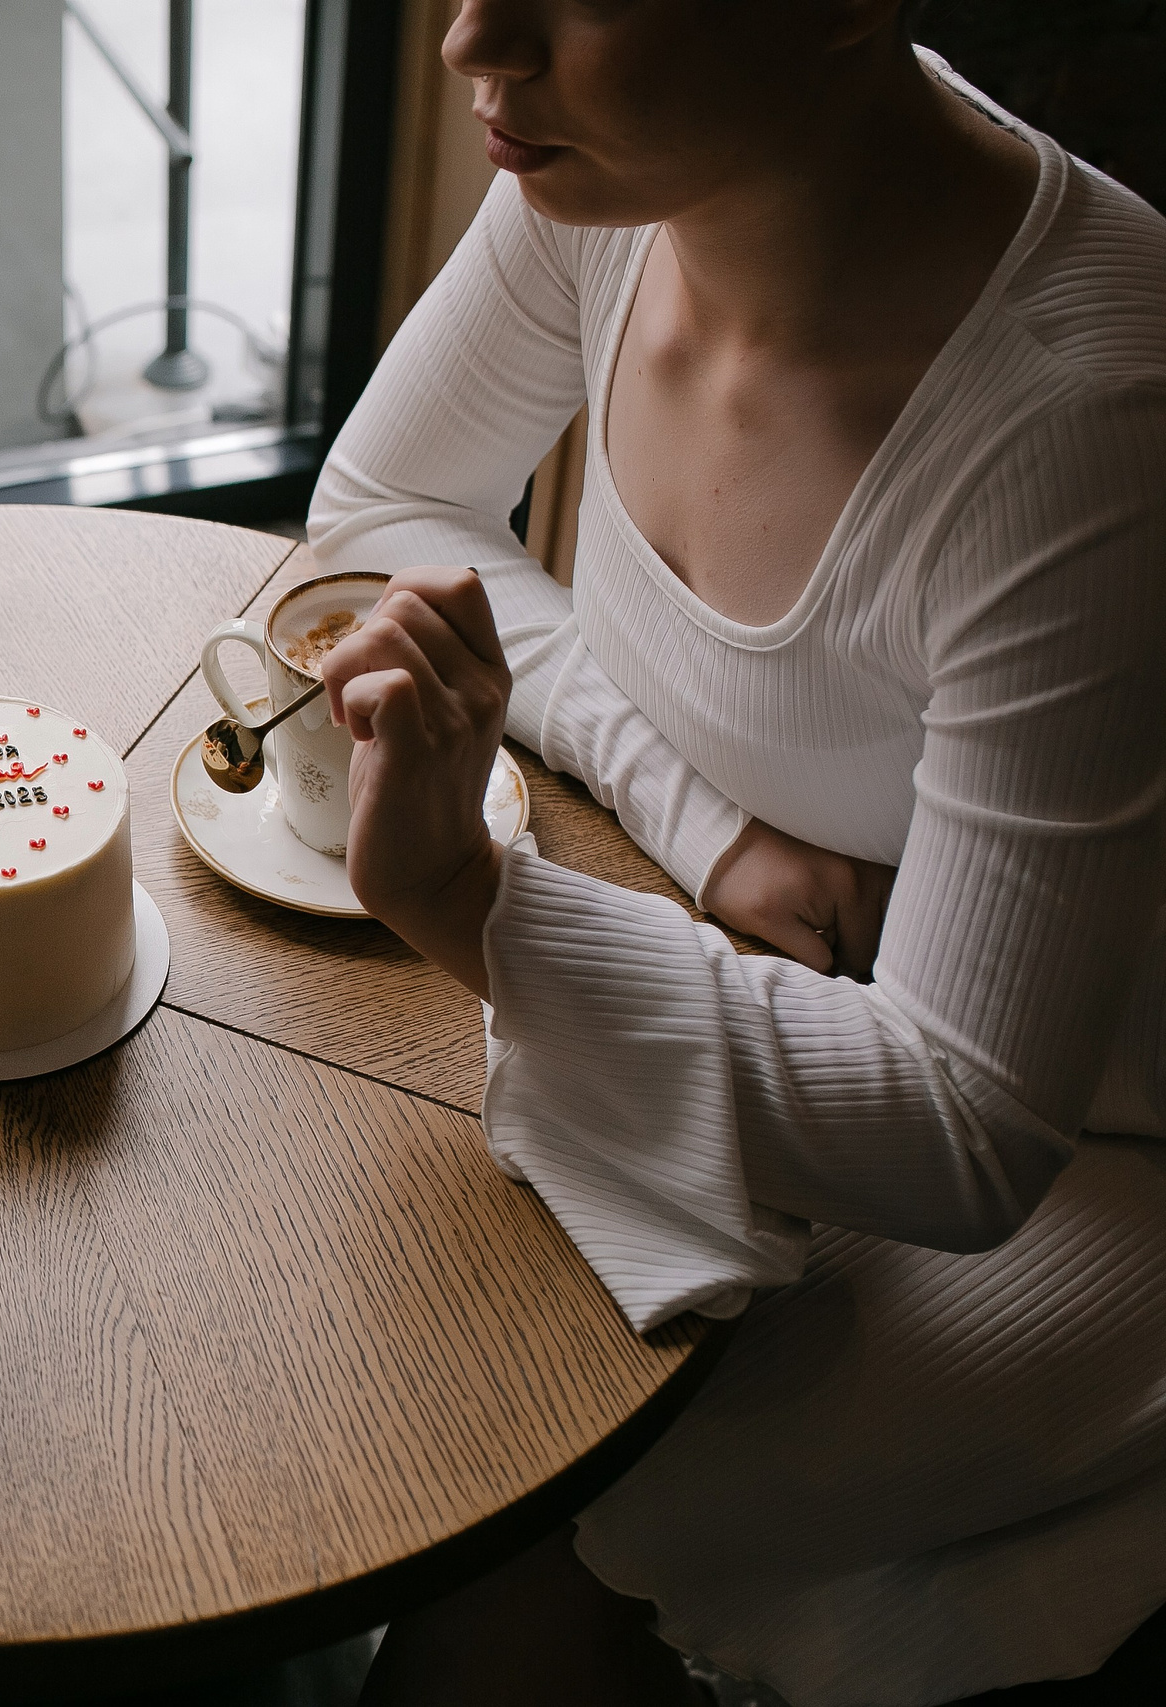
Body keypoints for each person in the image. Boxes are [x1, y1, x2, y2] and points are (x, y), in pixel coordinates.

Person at [299, 1, 1164, 1703]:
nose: (474, 40)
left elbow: (971, 1123)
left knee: (549, 1491)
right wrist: (705, 824)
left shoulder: (1088, 419)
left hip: (1108, 1150)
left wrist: (478, 906)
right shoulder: (612, 181)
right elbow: (385, 509)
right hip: (778, 972)